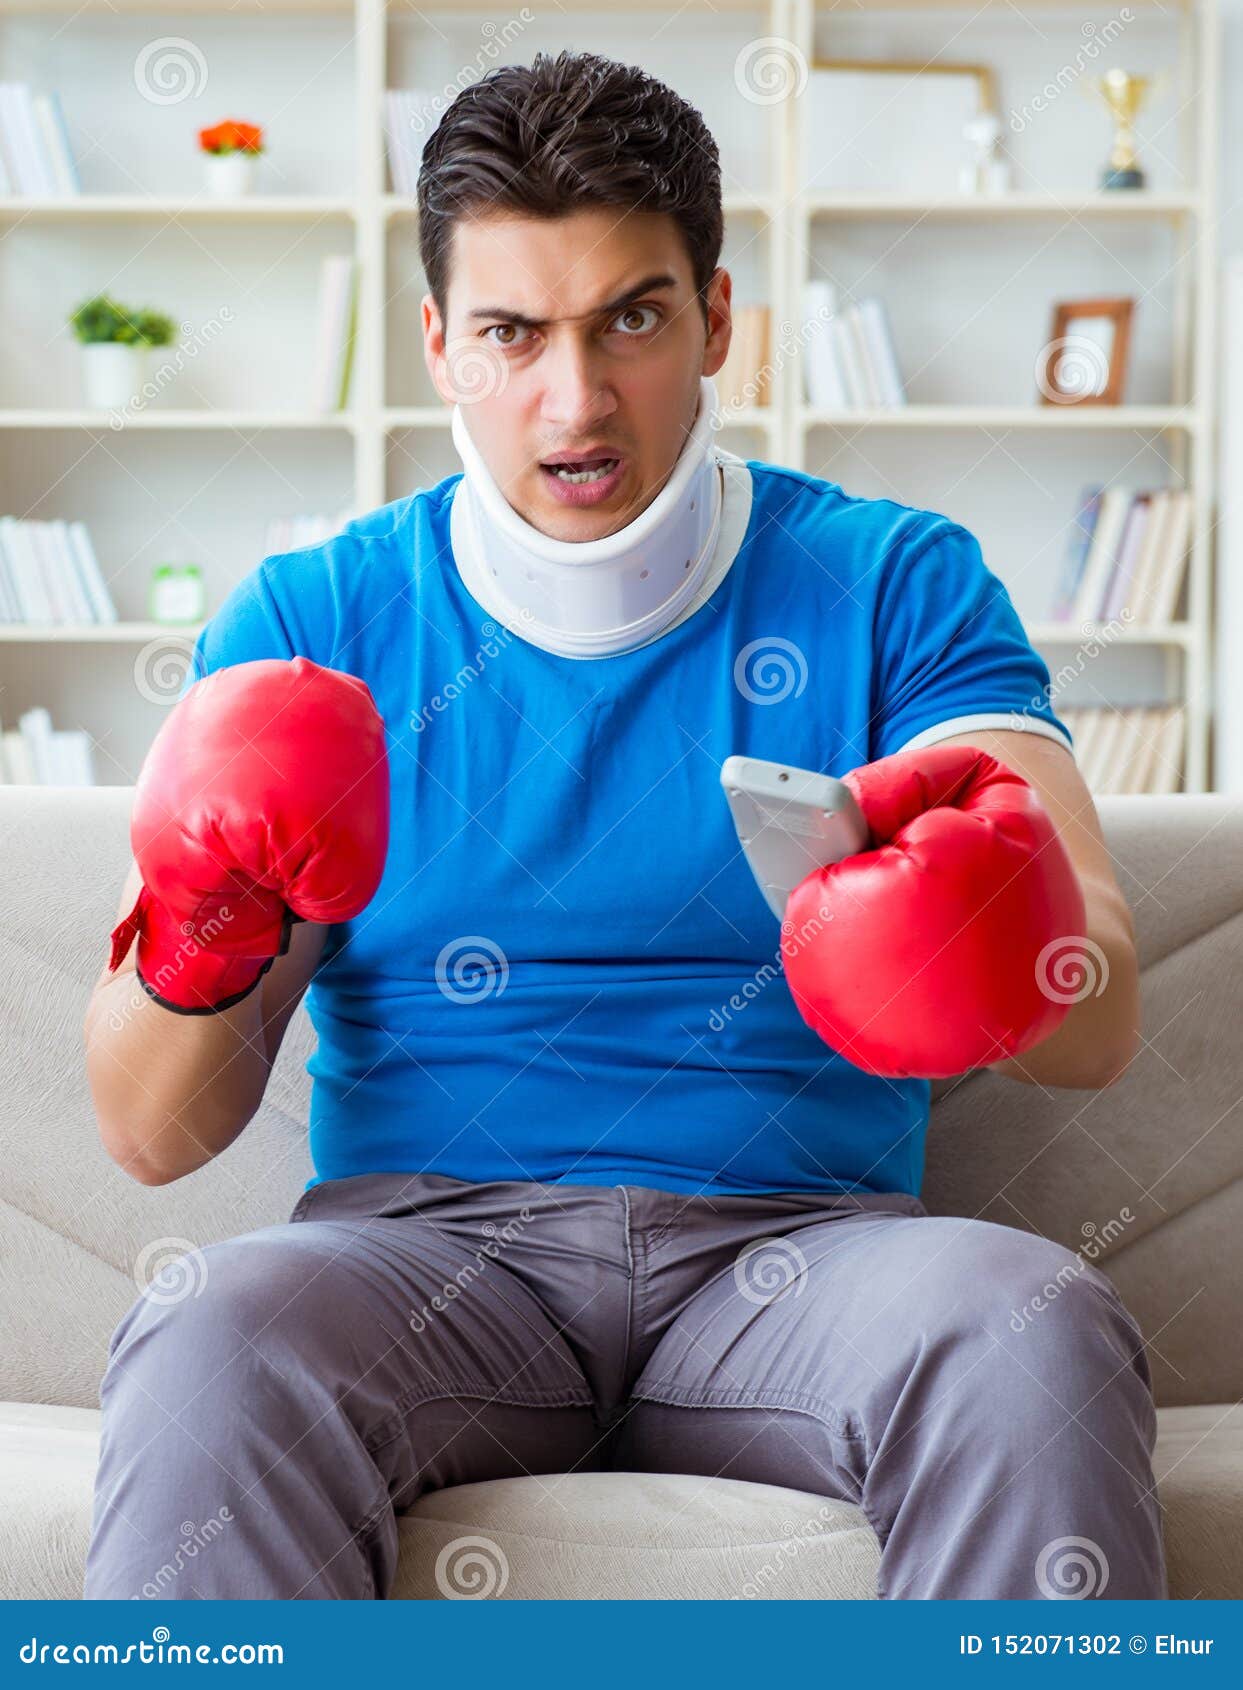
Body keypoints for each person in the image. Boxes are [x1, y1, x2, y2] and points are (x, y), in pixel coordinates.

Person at [82, 50, 1165, 1602]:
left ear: (718, 317)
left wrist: (998, 928)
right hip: (426, 1260)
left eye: (632, 321)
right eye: (515, 334)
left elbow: (1100, 1017)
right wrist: (207, 929)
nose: (575, 399)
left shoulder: (893, 583)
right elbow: (148, 1131)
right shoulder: (316, 616)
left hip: (803, 1255)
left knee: (1030, 1324)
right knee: (210, 1336)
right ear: (444, 344)